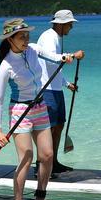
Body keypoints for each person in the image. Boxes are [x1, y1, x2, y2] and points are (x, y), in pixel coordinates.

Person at [0, 18, 84, 200]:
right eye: (21, 36)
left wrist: (67, 57)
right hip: (20, 111)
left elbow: (52, 56)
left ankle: (40, 198)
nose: (26, 39)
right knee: (26, 158)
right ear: (10, 39)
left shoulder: (33, 49)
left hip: (40, 107)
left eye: (27, 35)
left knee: (47, 155)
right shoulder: (6, 66)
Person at [36, 9, 83, 173]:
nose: (71, 27)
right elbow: (50, 60)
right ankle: (42, 164)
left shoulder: (56, 37)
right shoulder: (49, 37)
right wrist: (72, 56)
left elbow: (55, 68)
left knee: (59, 125)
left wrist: (66, 83)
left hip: (55, 88)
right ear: (61, 24)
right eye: (70, 24)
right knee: (48, 128)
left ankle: (53, 163)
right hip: (46, 89)